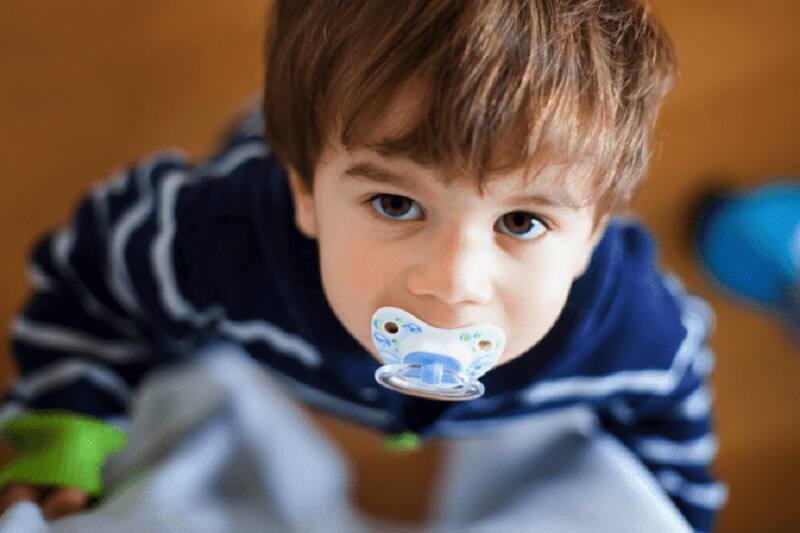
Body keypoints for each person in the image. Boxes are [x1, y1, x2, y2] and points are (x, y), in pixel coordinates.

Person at [0, 0, 725, 530]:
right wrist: (66, 422)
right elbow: (96, 275)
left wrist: (673, 509)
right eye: (396, 204)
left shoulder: (628, 327)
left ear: (594, 233)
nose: (453, 283)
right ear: (304, 195)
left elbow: (672, 420)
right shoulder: (218, 242)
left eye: (521, 221)